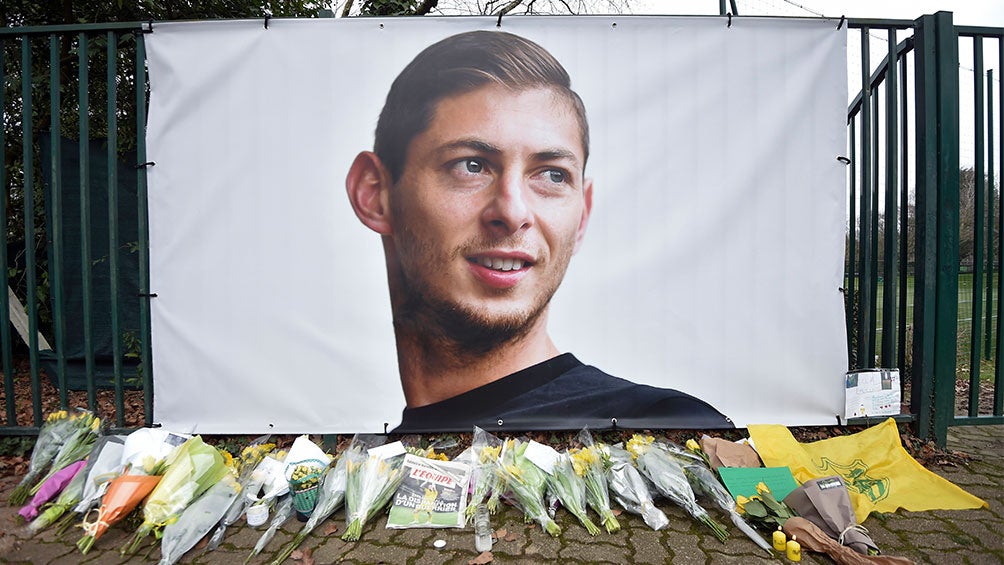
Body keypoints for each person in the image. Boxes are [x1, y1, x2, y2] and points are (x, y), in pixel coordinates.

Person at [345, 30, 731, 433]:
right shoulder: (355, 465)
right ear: (374, 195)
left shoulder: (667, 430)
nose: (512, 213)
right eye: (470, 166)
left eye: (552, 175)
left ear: (582, 217)